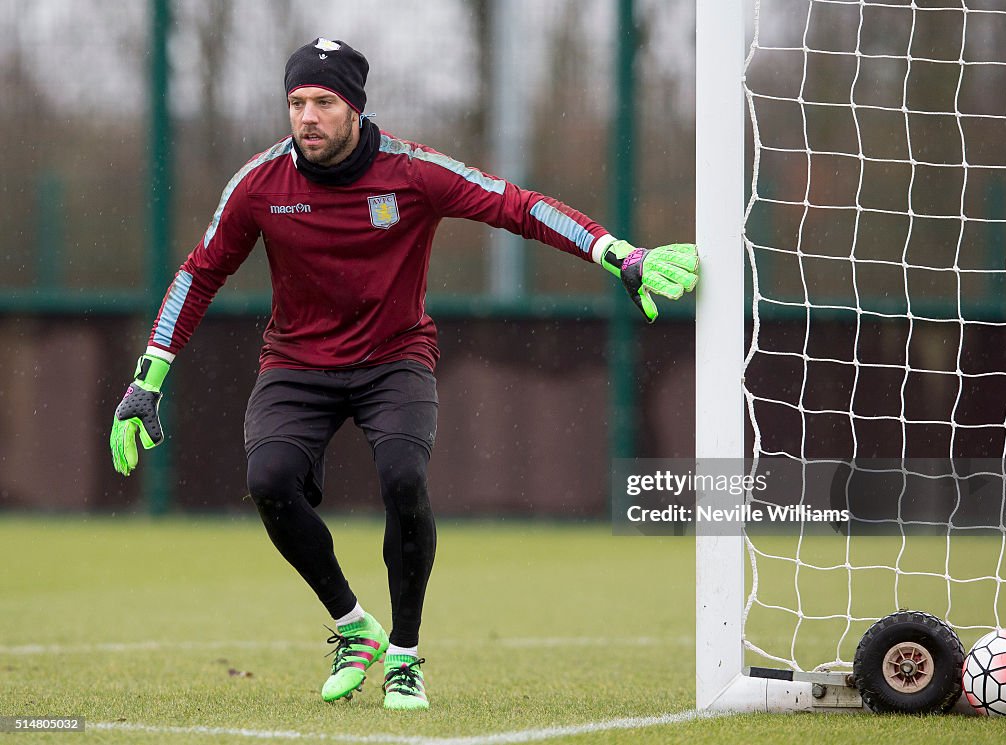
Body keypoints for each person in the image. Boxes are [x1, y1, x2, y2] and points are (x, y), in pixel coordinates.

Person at [109, 37, 698, 711]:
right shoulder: (259, 183)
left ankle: (407, 656)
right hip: (296, 364)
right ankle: (355, 625)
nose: (307, 117)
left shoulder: (413, 172)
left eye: (323, 102)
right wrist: (145, 380)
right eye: (296, 102)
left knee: (402, 476)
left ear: (356, 107)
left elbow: (518, 205)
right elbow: (198, 271)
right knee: (268, 479)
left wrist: (614, 251)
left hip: (395, 358)